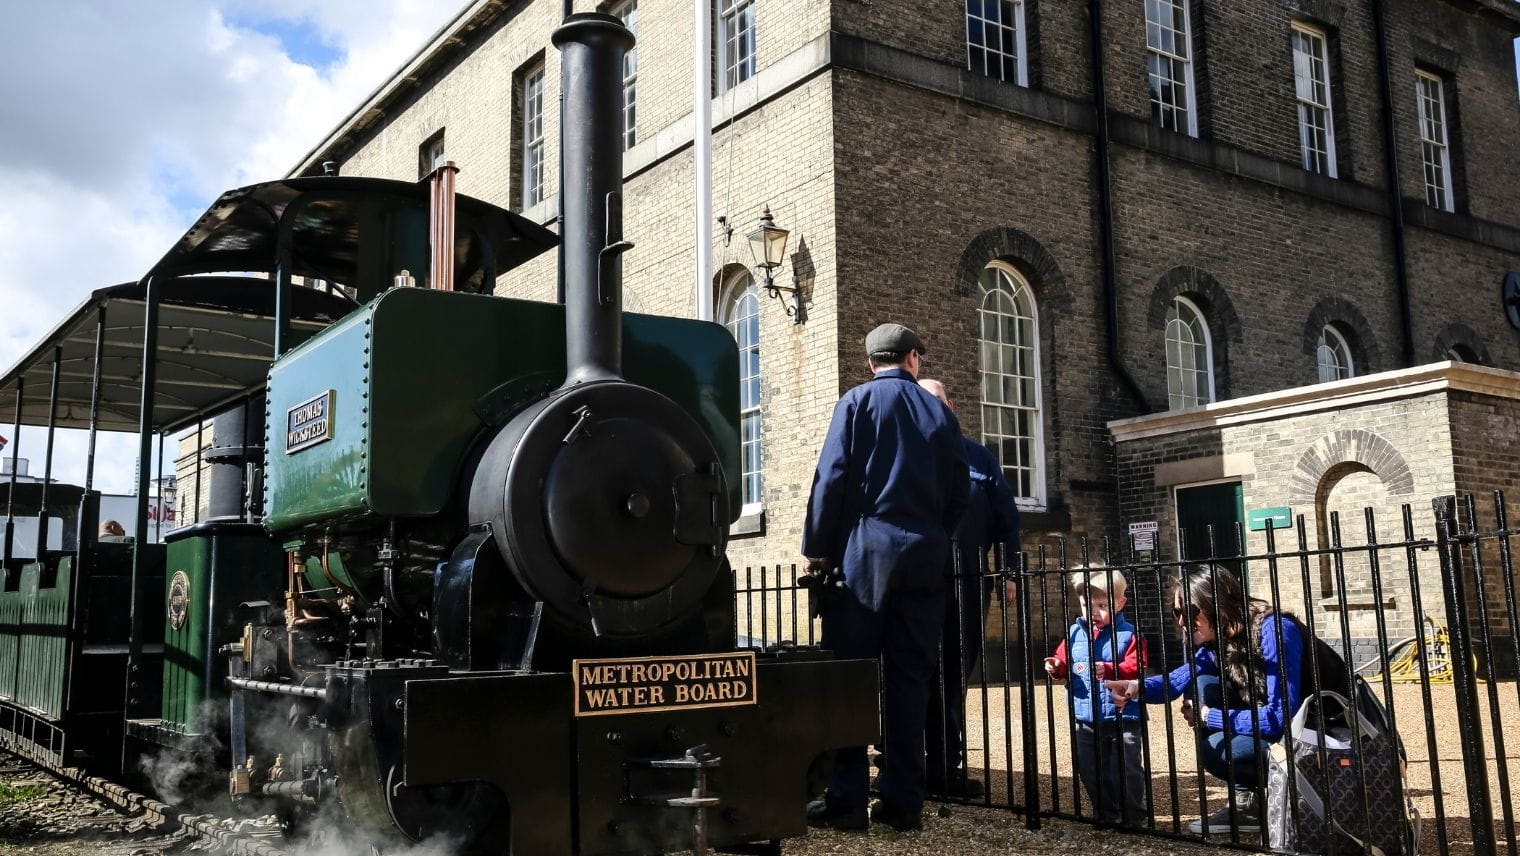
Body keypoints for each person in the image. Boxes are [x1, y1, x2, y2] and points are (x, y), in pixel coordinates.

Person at [802, 323, 969, 833]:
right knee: (911, 681)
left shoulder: (854, 403)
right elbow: (959, 489)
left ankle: (847, 801)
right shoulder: (938, 411)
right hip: (923, 555)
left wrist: (817, 549)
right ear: (913, 359)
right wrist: (933, 533)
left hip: (864, 556)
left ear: (871, 362)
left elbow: (830, 478)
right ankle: (902, 804)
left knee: (852, 679)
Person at [1105, 564, 1306, 835]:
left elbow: (1278, 717)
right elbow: (1177, 681)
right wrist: (1135, 686)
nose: (1181, 621)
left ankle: (1302, 788)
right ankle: (1251, 803)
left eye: (1188, 612)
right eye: (1177, 612)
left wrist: (1208, 716)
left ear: (1216, 606)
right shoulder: (1219, 639)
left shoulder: (1274, 629)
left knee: (1221, 749)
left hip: (1317, 731)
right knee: (1204, 686)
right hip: (1279, 726)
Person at [917, 378, 1020, 799]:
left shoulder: (980, 457)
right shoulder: (908, 455)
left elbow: (1007, 520)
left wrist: (1009, 572)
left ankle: (947, 767)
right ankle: (904, 761)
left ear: (951, 404)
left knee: (955, 674)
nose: (930, 410)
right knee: (911, 671)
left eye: (936, 402)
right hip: (916, 582)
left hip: (968, 584)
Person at [1045, 567, 1147, 825]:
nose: (1093, 612)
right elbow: (1063, 661)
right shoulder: (1074, 634)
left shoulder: (1129, 634)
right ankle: (1105, 812)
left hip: (1124, 714)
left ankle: (1132, 814)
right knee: (1089, 768)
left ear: (1120, 603)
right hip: (1086, 714)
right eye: (1086, 605)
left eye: (1102, 605)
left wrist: (1113, 668)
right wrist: (1056, 667)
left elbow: (1139, 666)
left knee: (1125, 768)